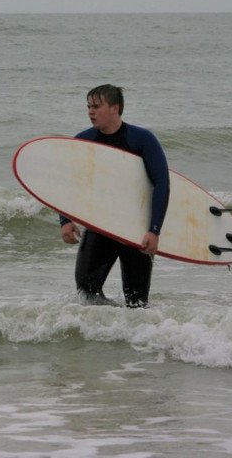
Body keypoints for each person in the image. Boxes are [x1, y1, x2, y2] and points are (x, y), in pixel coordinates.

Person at [60, 84, 169, 308]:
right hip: (101, 227)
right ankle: (106, 335)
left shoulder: (142, 139)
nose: (90, 111)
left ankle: (133, 339)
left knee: (137, 302)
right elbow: (68, 183)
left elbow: (162, 183)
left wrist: (154, 229)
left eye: (97, 106)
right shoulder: (83, 140)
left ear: (115, 108)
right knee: (86, 293)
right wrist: (65, 220)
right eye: (89, 106)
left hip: (135, 232)